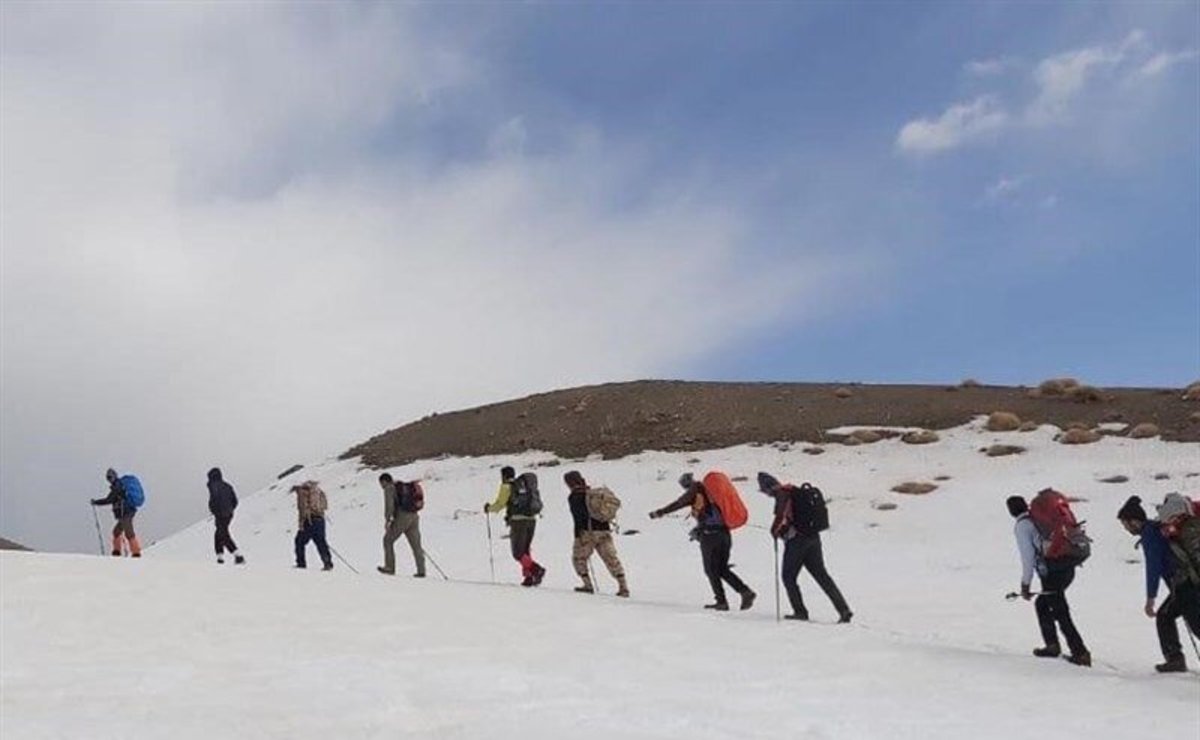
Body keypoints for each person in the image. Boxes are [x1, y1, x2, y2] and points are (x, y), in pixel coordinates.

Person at [649, 473, 756, 611]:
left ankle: (722, 602)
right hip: (724, 534)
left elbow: (679, 503)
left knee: (710, 570)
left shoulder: (695, 490)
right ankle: (745, 592)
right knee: (721, 568)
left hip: (710, 535)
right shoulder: (711, 492)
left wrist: (660, 512)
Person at [1117, 496, 1200, 673]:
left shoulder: (1150, 535)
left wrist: (1150, 598)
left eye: (1125, 524)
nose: (1125, 528)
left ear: (1134, 521)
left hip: (1184, 584)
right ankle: (1175, 658)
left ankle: (1175, 659)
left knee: (1182, 620)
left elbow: (1153, 567)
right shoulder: (1156, 528)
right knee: (1168, 617)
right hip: (1187, 583)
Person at [1007, 495, 1091, 666]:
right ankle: (1052, 645)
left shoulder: (1023, 526)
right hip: (1066, 565)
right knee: (1043, 604)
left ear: (1011, 511)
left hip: (1052, 569)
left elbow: (1028, 557)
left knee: (1060, 610)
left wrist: (1025, 583)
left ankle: (1080, 652)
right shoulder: (1038, 519)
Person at [757, 472, 852, 623]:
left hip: (797, 541)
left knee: (788, 577)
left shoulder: (782, 495)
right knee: (822, 575)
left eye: (764, 491)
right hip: (813, 537)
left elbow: (781, 518)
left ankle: (800, 612)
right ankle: (844, 609)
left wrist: (774, 531)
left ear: (768, 488)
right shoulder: (794, 491)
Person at [564, 470, 629, 597]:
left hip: (587, 532)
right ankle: (623, 586)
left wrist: (578, 535)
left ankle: (587, 584)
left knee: (579, 558)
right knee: (611, 558)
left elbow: (578, 517)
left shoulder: (575, 496)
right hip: (604, 530)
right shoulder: (593, 493)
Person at [484, 466, 546, 586]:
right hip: (532, 519)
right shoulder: (524, 487)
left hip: (518, 521)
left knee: (518, 552)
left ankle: (536, 570)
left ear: (503, 476)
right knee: (525, 549)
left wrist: (489, 508)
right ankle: (528, 578)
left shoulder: (507, 486)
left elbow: (499, 504)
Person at [377, 473, 426, 577]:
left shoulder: (389, 488)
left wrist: (388, 520)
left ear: (384, 481)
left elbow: (389, 505)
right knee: (416, 545)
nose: (381, 486)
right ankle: (421, 571)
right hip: (414, 516)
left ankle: (389, 567)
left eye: (381, 483)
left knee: (387, 540)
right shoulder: (402, 486)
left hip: (402, 517)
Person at [90, 468, 142, 557]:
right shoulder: (117, 486)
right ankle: (116, 552)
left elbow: (109, 500)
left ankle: (136, 553)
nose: (109, 479)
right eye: (108, 478)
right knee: (116, 531)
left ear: (115, 476)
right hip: (125, 513)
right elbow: (111, 499)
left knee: (128, 532)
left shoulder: (117, 486)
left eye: (110, 477)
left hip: (126, 512)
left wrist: (96, 502)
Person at [292, 481, 333, 571]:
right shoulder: (319, 492)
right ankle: (328, 563)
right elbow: (325, 506)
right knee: (320, 542)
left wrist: (301, 523)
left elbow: (302, 509)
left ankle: (301, 563)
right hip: (320, 519)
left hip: (309, 520)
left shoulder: (302, 493)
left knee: (299, 541)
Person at [207, 468, 244, 565]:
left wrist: (215, 511)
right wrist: (230, 509)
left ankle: (237, 555)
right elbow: (235, 501)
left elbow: (213, 501)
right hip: (228, 514)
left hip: (220, 514)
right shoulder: (227, 486)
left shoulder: (214, 486)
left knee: (223, 534)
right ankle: (220, 557)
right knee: (219, 533)